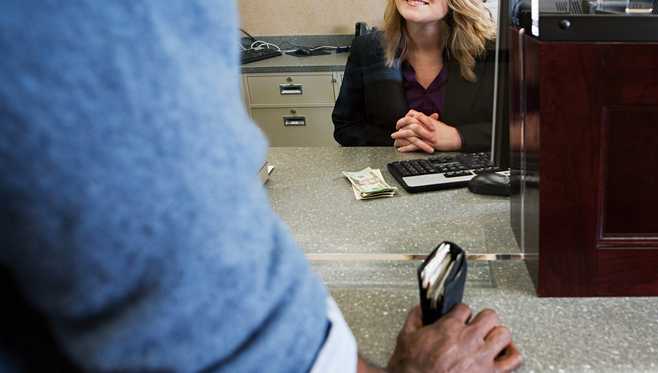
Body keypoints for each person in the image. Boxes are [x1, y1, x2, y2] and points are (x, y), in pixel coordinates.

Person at [0, 1, 522, 372]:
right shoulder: (372, 48)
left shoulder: (494, 52)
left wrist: (453, 138)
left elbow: (516, 129)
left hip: (453, 201)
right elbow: (184, 289)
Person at [332, 0, 496, 153]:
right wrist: (395, 140)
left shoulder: (493, 51)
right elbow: (345, 127)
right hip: (392, 176)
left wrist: (458, 136)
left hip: (467, 177)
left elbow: (517, 130)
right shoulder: (367, 49)